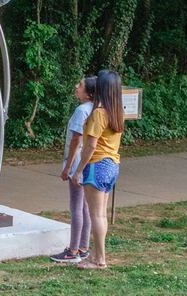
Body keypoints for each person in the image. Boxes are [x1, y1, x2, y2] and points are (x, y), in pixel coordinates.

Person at [72, 69, 124, 269]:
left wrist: (79, 171)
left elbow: (91, 146)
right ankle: (95, 255)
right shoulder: (117, 112)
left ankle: (100, 259)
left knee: (97, 215)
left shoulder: (98, 114)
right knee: (100, 214)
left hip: (97, 165)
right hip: (112, 165)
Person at [50, 76, 96, 263]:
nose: (76, 87)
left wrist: (68, 168)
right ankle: (83, 247)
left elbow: (76, 141)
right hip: (90, 162)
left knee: (76, 206)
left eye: (80, 85)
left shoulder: (81, 111)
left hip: (78, 162)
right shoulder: (97, 109)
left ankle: (73, 250)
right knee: (85, 206)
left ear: (89, 93)